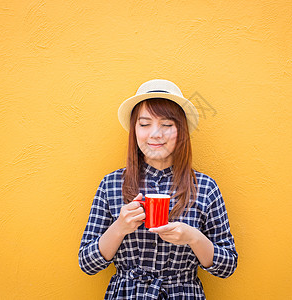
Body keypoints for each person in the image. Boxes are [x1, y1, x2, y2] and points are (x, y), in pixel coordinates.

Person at [78, 79, 238, 299]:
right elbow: (87, 263)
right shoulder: (111, 184)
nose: (155, 134)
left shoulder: (205, 187)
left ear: (180, 131)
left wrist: (194, 238)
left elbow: (228, 266)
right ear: (134, 130)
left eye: (167, 124)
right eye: (144, 124)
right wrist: (119, 228)